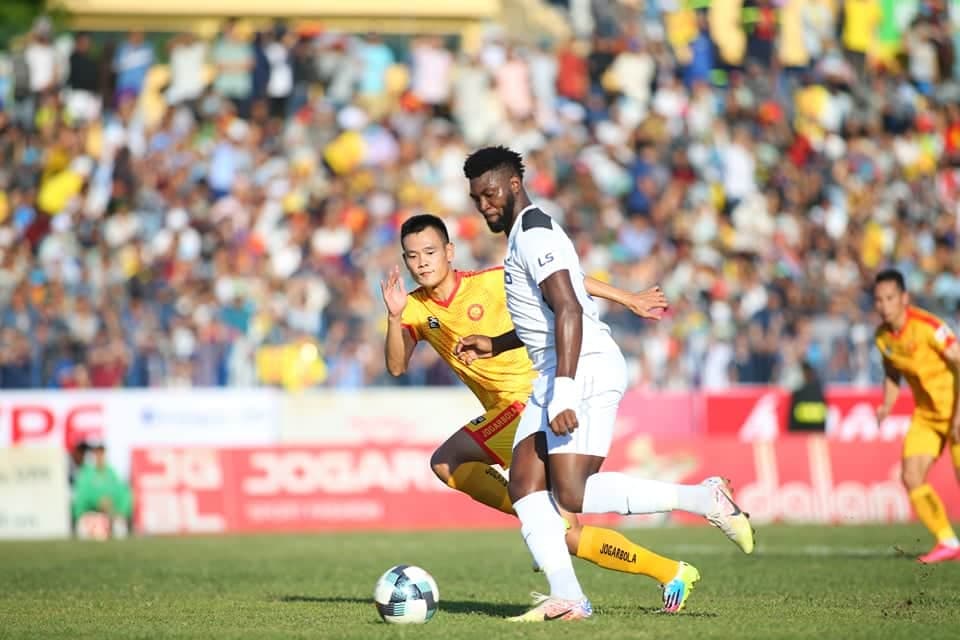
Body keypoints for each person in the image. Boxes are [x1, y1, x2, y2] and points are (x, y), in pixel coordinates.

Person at [459, 146, 755, 621]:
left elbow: (570, 309)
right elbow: (551, 312)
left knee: (571, 494)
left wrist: (565, 392)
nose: (484, 205)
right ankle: (569, 598)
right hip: (555, 369)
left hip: (583, 368)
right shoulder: (522, 237)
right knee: (526, 488)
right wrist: (496, 343)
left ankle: (704, 498)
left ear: (514, 184)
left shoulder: (534, 233)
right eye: (476, 198)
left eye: (490, 193)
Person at [381, 213, 701, 612]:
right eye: (412, 256)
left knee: (447, 461)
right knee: (570, 533)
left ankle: (542, 522)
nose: (422, 262)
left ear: (449, 251)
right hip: (506, 410)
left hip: (530, 401)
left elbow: (567, 282)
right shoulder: (412, 308)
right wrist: (394, 317)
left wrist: (628, 298)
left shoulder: (492, 281)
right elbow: (397, 366)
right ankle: (671, 571)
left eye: (429, 252)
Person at [873, 268, 960, 563]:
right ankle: (948, 541)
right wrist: (887, 404)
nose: (884, 305)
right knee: (911, 476)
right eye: (879, 299)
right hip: (927, 415)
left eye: (890, 298)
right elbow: (891, 372)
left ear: (904, 298)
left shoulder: (928, 327)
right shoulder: (882, 338)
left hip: (955, 408)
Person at [71, 440, 133, 538]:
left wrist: (120, 511)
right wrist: (97, 502)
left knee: (119, 527)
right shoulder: (86, 473)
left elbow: (123, 492)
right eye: (97, 453)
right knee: (86, 530)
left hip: (110, 514)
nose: (99, 457)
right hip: (91, 514)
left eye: (102, 453)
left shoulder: (111, 472)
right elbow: (81, 497)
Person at [788, 361, 827, 433]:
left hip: (799, 436)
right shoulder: (820, 393)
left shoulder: (798, 395)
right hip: (816, 436)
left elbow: (792, 423)